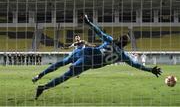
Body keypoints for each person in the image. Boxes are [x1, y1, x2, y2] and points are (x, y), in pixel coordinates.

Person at [32, 15, 162, 100]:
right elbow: (136, 65)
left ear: (119, 39)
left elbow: (98, 32)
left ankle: (41, 79)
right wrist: (150, 70)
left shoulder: (111, 41)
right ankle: (43, 86)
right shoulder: (123, 56)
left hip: (86, 54)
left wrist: (89, 22)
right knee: (65, 76)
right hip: (89, 62)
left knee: (63, 63)